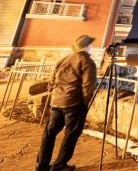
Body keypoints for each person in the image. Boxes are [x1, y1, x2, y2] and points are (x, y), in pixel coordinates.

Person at [36, 34, 97, 171]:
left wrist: (56, 93)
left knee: (49, 133)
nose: (92, 47)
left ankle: (41, 165)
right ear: (86, 47)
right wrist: (85, 103)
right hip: (73, 103)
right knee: (71, 134)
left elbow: (51, 83)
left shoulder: (64, 59)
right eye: (90, 45)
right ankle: (59, 165)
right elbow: (88, 86)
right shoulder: (87, 61)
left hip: (56, 102)